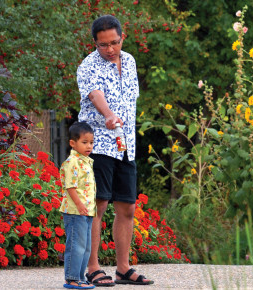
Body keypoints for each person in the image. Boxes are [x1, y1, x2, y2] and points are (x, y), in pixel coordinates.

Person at [77, 14, 153, 286]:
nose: (110, 49)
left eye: (115, 42)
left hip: (126, 145)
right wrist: (108, 115)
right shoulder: (88, 65)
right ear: (95, 43)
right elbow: (95, 95)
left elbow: (130, 99)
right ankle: (93, 267)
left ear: (122, 38)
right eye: (103, 45)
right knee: (98, 205)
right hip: (98, 143)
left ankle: (123, 268)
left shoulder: (130, 61)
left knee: (128, 207)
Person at [60, 122, 101, 289]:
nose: (89, 146)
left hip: (87, 211)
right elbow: (70, 186)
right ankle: (71, 278)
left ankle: (80, 277)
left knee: (85, 247)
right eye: (84, 142)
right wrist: (79, 204)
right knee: (76, 245)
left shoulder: (86, 161)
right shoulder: (72, 162)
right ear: (73, 143)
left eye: (91, 142)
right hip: (75, 211)